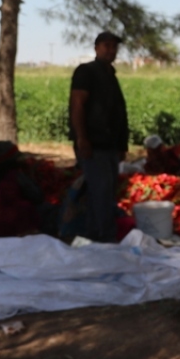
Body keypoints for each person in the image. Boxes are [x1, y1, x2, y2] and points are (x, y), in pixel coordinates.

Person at [69, 30, 129, 242]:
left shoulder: (110, 75)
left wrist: (122, 144)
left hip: (110, 144)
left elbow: (118, 111)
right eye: (106, 46)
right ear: (96, 48)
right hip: (93, 144)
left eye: (114, 47)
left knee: (105, 192)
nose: (110, 50)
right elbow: (77, 104)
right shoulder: (87, 72)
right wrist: (81, 138)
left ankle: (95, 235)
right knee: (100, 192)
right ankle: (103, 237)